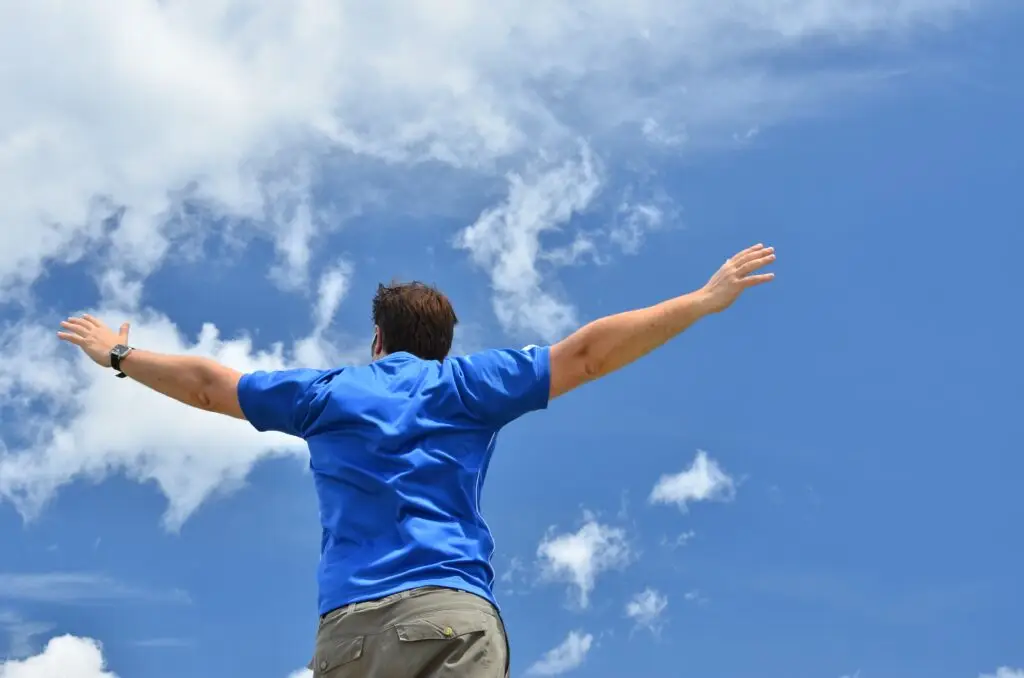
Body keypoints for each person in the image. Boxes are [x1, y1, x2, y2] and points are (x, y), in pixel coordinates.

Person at [57, 243, 775, 678]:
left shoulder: (325, 394)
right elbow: (586, 355)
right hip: (447, 615)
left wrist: (117, 354)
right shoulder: (466, 385)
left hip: (348, 635)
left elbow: (210, 387)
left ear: (377, 340)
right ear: (442, 347)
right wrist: (700, 301)